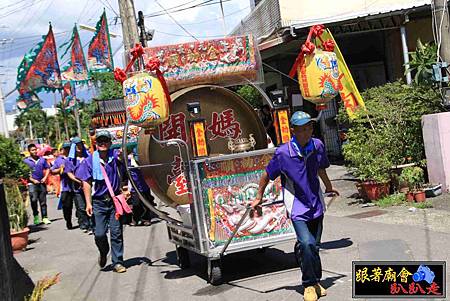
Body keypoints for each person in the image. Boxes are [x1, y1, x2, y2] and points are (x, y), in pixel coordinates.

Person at [251, 111, 339, 301]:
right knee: (307, 243)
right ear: (293, 131)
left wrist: (329, 187)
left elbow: (320, 168)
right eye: (302, 130)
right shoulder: (283, 153)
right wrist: (259, 197)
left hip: (316, 202)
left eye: (309, 128)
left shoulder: (318, 145)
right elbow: (267, 175)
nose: (307, 133)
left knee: (313, 246)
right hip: (297, 204)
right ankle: (308, 284)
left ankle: (316, 281)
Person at [76, 130, 128, 273]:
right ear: (96, 143)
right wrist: (88, 203)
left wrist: (124, 189)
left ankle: (117, 261)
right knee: (99, 233)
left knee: (116, 232)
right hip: (98, 202)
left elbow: (125, 169)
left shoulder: (116, 158)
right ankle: (104, 251)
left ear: (110, 143)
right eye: (100, 141)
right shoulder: (89, 161)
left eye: (106, 141)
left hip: (114, 201)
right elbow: (86, 182)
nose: (103, 143)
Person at [66, 137, 93, 234]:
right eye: (76, 145)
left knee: (90, 204)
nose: (79, 147)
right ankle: (85, 224)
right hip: (77, 187)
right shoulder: (70, 160)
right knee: (81, 207)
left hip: (90, 185)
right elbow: (69, 173)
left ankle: (92, 225)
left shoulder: (88, 157)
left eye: (80, 144)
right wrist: (78, 181)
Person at [23, 144, 51, 225]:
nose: (35, 151)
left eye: (35, 149)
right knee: (34, 200)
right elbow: (24, 173)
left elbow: (48, 168)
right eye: (32, 150)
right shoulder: (26, 161)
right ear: (29, 151)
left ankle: (45, 217)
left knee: (43, 201)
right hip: (31, 184)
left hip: (41, 183)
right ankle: (36, 217)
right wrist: (32, 180)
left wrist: (45, 177)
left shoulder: (42, 160)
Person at [128, 148, 156, 226]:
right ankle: (135, 218)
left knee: (147, 204)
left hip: (145, 186)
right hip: (135, 188)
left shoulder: (145, 162)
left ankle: (146, 219)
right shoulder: (129, 162)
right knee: (136, 204)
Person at [50, 142, 73, 229]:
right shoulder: (59, 160)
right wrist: (60, 169)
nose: (67, 150)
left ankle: (84, 222)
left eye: (69, 148)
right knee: (67, 206)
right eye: (65, 148)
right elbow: (52, 170)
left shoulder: (73, 157)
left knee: (80, 206)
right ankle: (68, 220)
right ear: (62, 150)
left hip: (77, 186)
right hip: (65, 187)